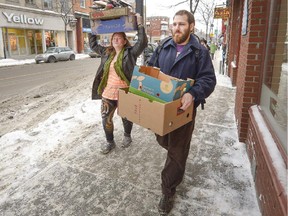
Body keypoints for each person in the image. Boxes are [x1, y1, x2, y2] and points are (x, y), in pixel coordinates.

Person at [147, 10, 216, 215]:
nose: (177, 28)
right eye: (175, 24)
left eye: (182, 24)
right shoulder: (164, 46)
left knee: (177, 151)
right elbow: (151, 68)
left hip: (183, 111)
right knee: (164, 141)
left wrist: (193, 94)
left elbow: (209, 80)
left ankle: (168, 191)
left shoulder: (199, 52)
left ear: (191, 26)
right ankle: (175, 159)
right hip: (161, 107)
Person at [89, 14, 148, 154]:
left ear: (124, 41)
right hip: (108, 93)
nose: (115, 39)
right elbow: (92, 45)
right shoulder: (106, 52)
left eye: (118, 37)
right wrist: (94, 27)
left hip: (125, 92)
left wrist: (139, 24)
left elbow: (142, 42)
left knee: (126, 118)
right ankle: (110, 142)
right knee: (106, 119)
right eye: (113, 38)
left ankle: (127, 136)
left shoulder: (131, 53)